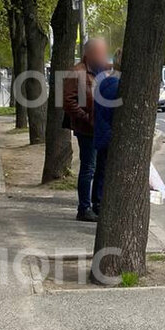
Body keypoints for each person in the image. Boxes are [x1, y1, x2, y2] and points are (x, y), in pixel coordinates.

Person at [64, 38, 109, 222]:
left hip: (100, 128)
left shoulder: (104, 70)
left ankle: (97, 203)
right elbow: (67, 101)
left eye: (104, 52)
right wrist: (86, 119)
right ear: (89, 53)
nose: (103, 55)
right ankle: (84, 208)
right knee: (88, 168)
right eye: (99, 52)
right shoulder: (77, 73)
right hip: (87, 129)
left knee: (101, 167)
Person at [93, 49, 122, 212]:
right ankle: (99, 204)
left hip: (104, 132)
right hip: (108, 134)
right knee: (104, 171)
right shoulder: (115, 84)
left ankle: (98, 202)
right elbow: (112, 113)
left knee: (102, 169)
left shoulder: (108, 81)